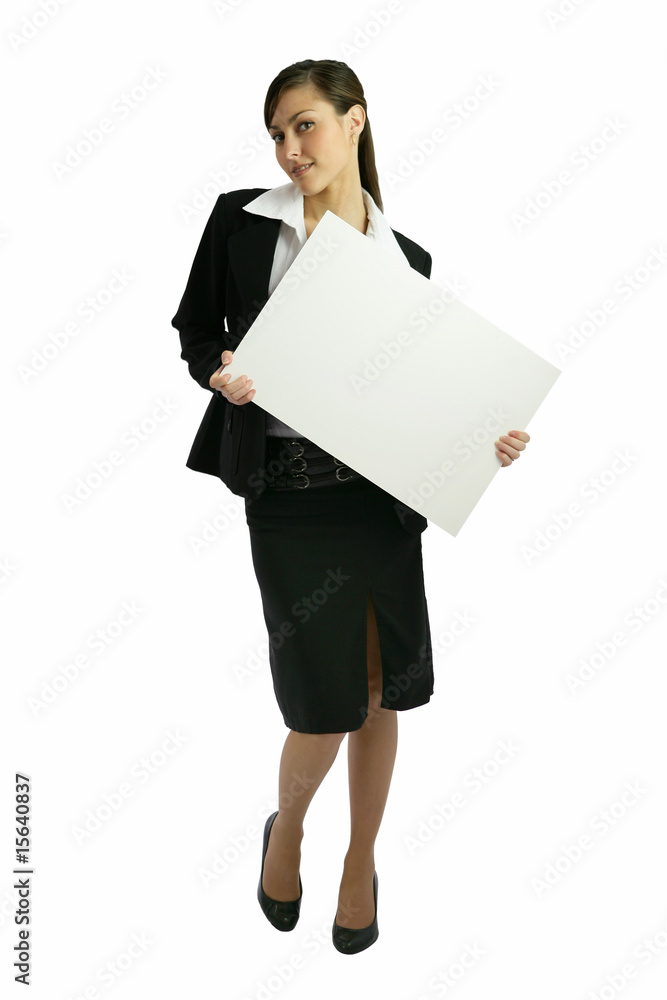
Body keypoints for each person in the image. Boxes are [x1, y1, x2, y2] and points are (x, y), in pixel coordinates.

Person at [171, 58, 530, 954]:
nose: (290, 149)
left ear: (354, 121)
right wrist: (220, 371)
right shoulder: (241, 223)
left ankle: (360, 860)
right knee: (317, 703)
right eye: (277, 134)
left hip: (376, 502)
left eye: (305, 125)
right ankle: (287, 829)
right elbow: (194, 331)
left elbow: (418, 399)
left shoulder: (405, 261)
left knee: (377, 691)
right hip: (288, 499)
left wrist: (484, 439)